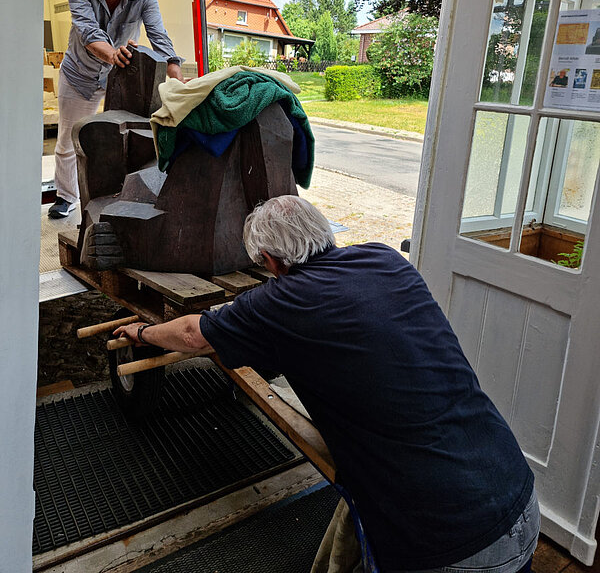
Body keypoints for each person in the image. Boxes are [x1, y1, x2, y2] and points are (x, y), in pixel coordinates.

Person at [115, 196, 539, 573]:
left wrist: (141, 334)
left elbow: (192, 334)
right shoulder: (383, 259)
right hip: (517, 494)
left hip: (449, 545)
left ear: (271, 262)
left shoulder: (280, 303)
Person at [48, 0, 184, 219]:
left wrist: (174, 69)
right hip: (80, 75)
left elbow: (158, 35)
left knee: (124, 138)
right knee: (68, 139)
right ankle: (66, 196)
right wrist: (112, 54)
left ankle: (120, 196)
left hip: (119, 78)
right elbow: (86, 29)